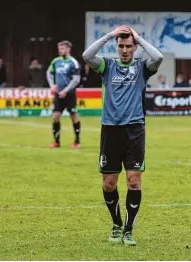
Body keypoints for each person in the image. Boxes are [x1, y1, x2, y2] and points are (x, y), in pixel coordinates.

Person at [82, 25, 163, 246]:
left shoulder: (142, 68)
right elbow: (87, 55)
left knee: (133, 181)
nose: (125, 50)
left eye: (129, 46)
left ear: (135, 47)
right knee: (109, 183)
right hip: (110, 129)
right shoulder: (107, 66)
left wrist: (139, 37)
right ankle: (116, 224)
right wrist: (109, 36)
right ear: (116, 47)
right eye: (121, 46)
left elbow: (158, 56)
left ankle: (129, 229)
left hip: (134, 129)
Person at [46, 40, 82, 149]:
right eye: (59, 48)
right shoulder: (56, 61)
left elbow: (76, 80)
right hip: (58, 94)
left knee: (73, 116)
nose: (60, 50)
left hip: (69, 94)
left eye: (62, 48)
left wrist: (65, 91)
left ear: (68, 49)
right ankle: (56, 142)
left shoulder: (73, 63)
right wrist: (52, 85)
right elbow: (49, 73)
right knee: (55, 117)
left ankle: (77, 141)